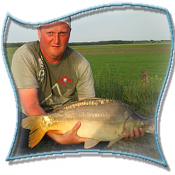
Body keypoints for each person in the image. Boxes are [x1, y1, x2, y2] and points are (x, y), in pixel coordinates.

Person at [10, 17, 144, 156]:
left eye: (62, 33)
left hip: (66, 118)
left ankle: (61, 154)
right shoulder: (26, 55)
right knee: (17, 148)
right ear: (39, 32)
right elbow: (31, 104)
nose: (56, 40)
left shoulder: (80, 64)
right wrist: (60, 138)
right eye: (50, 33)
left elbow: (89, 108)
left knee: (99, 136)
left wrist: (119, 132)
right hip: (28, 116)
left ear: (69, 32)